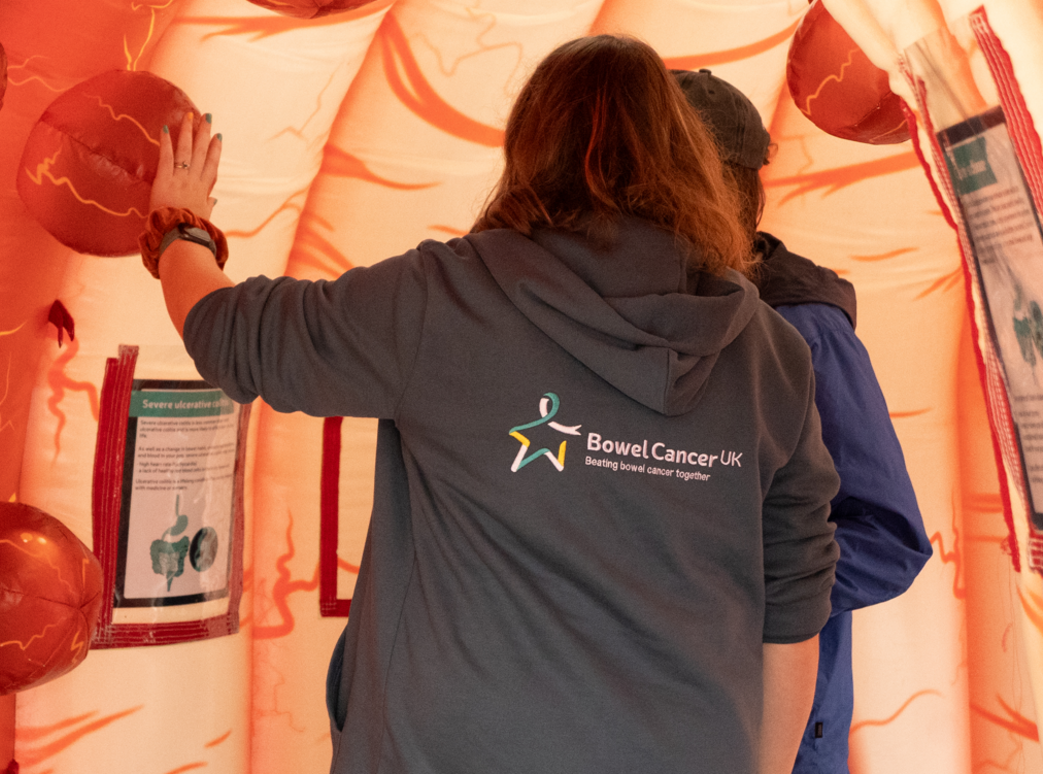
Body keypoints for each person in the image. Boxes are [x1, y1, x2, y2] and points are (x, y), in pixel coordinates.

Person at [143, 36, 840, 774]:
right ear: (685, 156)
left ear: (531, 147)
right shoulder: (769, 352)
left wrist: (179, 232)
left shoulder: (444, 303)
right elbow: (792, 613)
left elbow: (235, 336)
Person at [674, 68, 934, 774]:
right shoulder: (625, 323)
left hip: (781, 732)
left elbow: (889, 536)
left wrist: (737, 589)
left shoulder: (806, 330)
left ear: (726, 192)